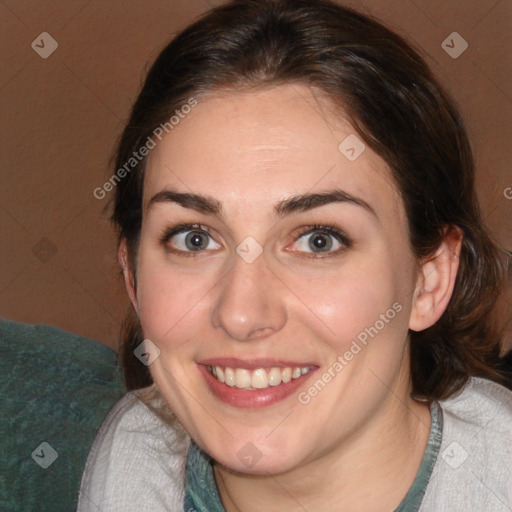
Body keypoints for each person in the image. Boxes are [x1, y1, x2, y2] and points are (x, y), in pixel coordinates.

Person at [77, 0, 512, 510]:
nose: (241, 313)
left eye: (318, 240)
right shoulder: (132, 457)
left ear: (430, 279)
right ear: (132, 275)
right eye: (194, 238)